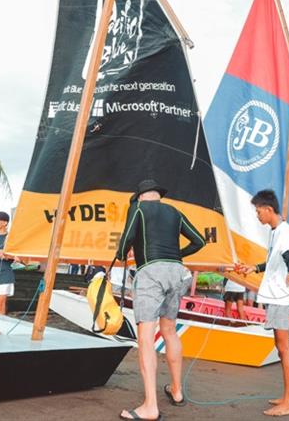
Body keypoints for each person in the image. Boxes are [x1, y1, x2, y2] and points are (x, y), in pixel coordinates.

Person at [116, 179, 207, 421]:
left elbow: (125, 242)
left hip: (151, 272)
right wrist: (178, 254)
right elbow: (199, 240)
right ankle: (176, 391)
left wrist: (121, 252)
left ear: (140, 196)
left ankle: (150, 407)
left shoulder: (137, 209)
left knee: (146, 338)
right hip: (177, 272)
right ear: (158, 196)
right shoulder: (175, 212)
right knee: (169, 331)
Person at [236, 189, 289, 417]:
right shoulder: (276, 232)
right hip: (276, 294)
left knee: (284, 348)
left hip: (280, 296)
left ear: (268, 209)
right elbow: (274, 260)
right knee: (280, 347)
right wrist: (254, 268)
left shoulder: (284, 232)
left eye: (258, 211)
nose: (257, 216)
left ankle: (288, 405)